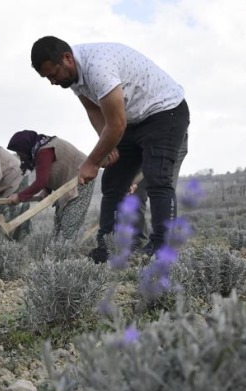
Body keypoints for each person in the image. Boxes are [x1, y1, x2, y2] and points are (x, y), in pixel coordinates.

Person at [30, 36, 190, 262]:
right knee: (113, 182)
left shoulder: (97, 68)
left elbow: (116, 125)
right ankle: (107, 245)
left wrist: (92, 162)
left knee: (157, 177)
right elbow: (94, 111)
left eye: (53, 74)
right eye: (47, 78)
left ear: (66, 59)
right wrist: (106, 146)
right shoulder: (74, 76)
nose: (52, 82)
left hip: (165, 112)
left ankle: (162, 245)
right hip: (132, 120)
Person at [6, 130, 95, 240]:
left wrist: (19, 197)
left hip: (82, 179)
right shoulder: (39, 150)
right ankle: (58, 250)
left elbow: (40, 182)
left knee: (70, 220)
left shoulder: (45, 151)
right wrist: (47, 190)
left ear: (25, 147)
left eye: (19, 152)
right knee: (59, 222)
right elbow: (50, 171)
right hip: (66, 184)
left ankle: (67, 253)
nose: (19, 155)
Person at [131, 130, 189, 250]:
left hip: (170, 137)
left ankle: (163, 243)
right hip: (142, 141)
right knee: (135, 191)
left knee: (163, 187)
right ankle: (137, 240)